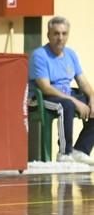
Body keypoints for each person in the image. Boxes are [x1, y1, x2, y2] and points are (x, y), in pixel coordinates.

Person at [29, 16, 94, 164]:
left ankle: (81, 150)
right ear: (48, 35)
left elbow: (82, 81)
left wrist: (91, 97)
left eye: (64, 34)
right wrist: (75, 101)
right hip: (41, 97)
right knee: (68, 105)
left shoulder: (71, 54)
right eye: (56, 33)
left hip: (65, 94)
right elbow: (45, 87)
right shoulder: (39, 55)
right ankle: (64, 153)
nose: (60, 38)